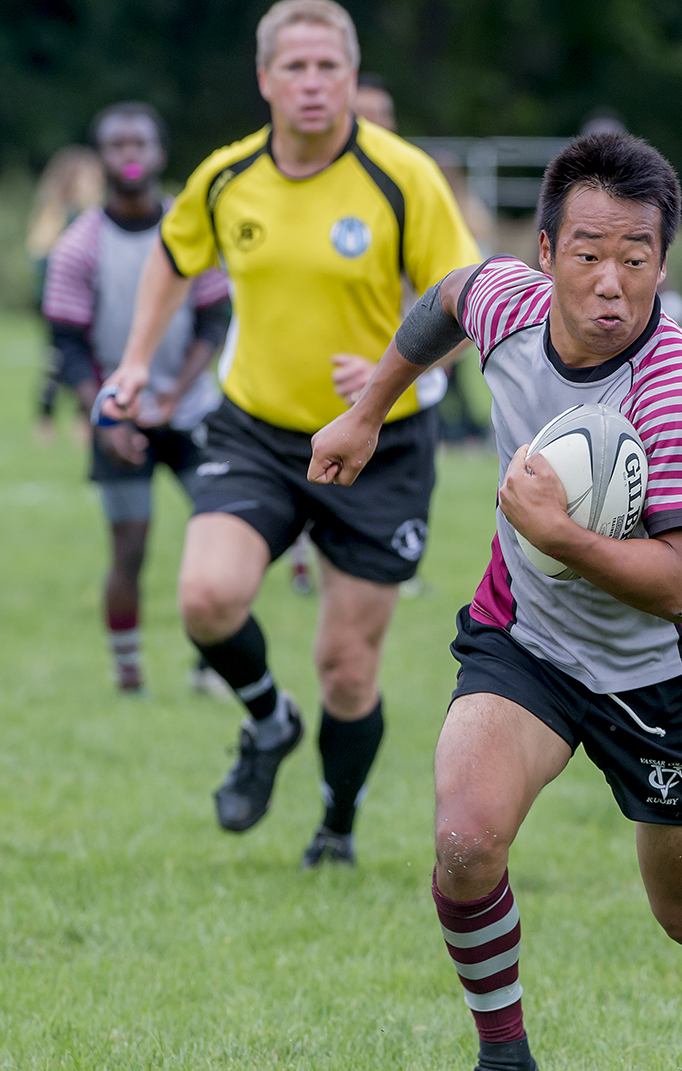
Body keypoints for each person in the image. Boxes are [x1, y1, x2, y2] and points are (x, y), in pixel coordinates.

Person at [308, 132, 682, 1071]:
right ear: (545, 252)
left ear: (663, 265)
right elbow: (444, 301)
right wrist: (370, 406)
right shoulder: (508, 302)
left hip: (660, 676)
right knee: (466, 839)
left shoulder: (678, 395)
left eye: (636, 260)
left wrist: (561, 537)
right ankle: (504, 1057)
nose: (610, 283)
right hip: (530, 640)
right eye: (587, 254)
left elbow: (679, 585)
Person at [100, 0, 480, 867]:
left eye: (330, 68)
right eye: (296, 68)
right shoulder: (229, 177)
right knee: (204, 596)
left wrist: (397, 376)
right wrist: (132, 362)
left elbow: (465, 295)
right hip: (259, 431)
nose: (313, 85)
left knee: (347, 664)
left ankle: (336, 825)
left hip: (380, 446)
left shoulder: (403, 176)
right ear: (265, 78)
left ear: (351, 78)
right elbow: (173, 250)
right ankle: (269, 721)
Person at [42, 102, 232, 694]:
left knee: (223, 534)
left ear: (159, 153)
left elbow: (214, 319)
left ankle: (210, 666)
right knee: (130, 546)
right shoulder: (79, 246)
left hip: (192, 407)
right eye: (117, 145)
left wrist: (175, 393)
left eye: (140, 144)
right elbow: (67, 344)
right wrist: (102, 414)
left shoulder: (191, 228)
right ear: (101, 159)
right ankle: (129, 674)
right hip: (116, 416)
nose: (130, 155)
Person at [28, 144, 104, 439]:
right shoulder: (59, 216)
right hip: (58, 304)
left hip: (90, 301)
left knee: (85, 358)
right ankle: (46, 420)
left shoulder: (94, 215)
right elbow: (39, 255)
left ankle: (82, 419)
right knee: (57, 361)